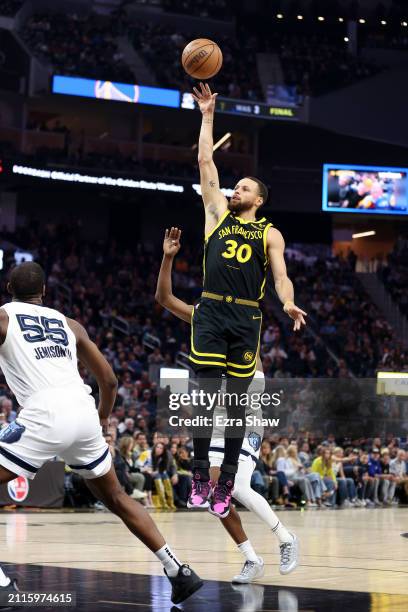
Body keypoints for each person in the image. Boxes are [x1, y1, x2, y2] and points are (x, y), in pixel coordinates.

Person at [0, 262, 202, 604]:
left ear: (9, 289)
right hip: (83, 410)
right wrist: (102, 418)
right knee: (118, 497)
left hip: (44, 411)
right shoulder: (70, 324)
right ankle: (177, 570)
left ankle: (3, 586)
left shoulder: (4, 317)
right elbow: (109, 380)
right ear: (44, 292)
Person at [187, 82, 306, 518]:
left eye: (242, 189)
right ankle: (200, 473)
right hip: (212, 308)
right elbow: (205, 159)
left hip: (246, 316)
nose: (234, 191)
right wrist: (207, 115)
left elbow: (281, 277)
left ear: (258, 200)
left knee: (236, 401)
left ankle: (227, 479)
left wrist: (289, 303)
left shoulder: (269, 233)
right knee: (203, 393)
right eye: (233, 186)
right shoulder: (216, 213)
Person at [155, 227, 299, 582]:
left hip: (245, 420)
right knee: (211, 497)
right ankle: (251, 557)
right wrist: (168, 258)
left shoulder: (243, 326)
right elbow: (164, 298)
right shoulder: (204, 317)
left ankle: (285, 537)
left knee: (233, 486)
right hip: (214, 422)